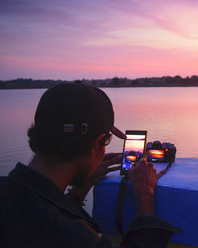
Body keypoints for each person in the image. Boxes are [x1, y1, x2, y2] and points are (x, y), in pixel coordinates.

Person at [0, 83, 180, 248]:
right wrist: (145, 198)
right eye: (107, 141)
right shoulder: (77, 239)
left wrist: (79, 190)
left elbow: (36, 213)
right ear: (98, 142)